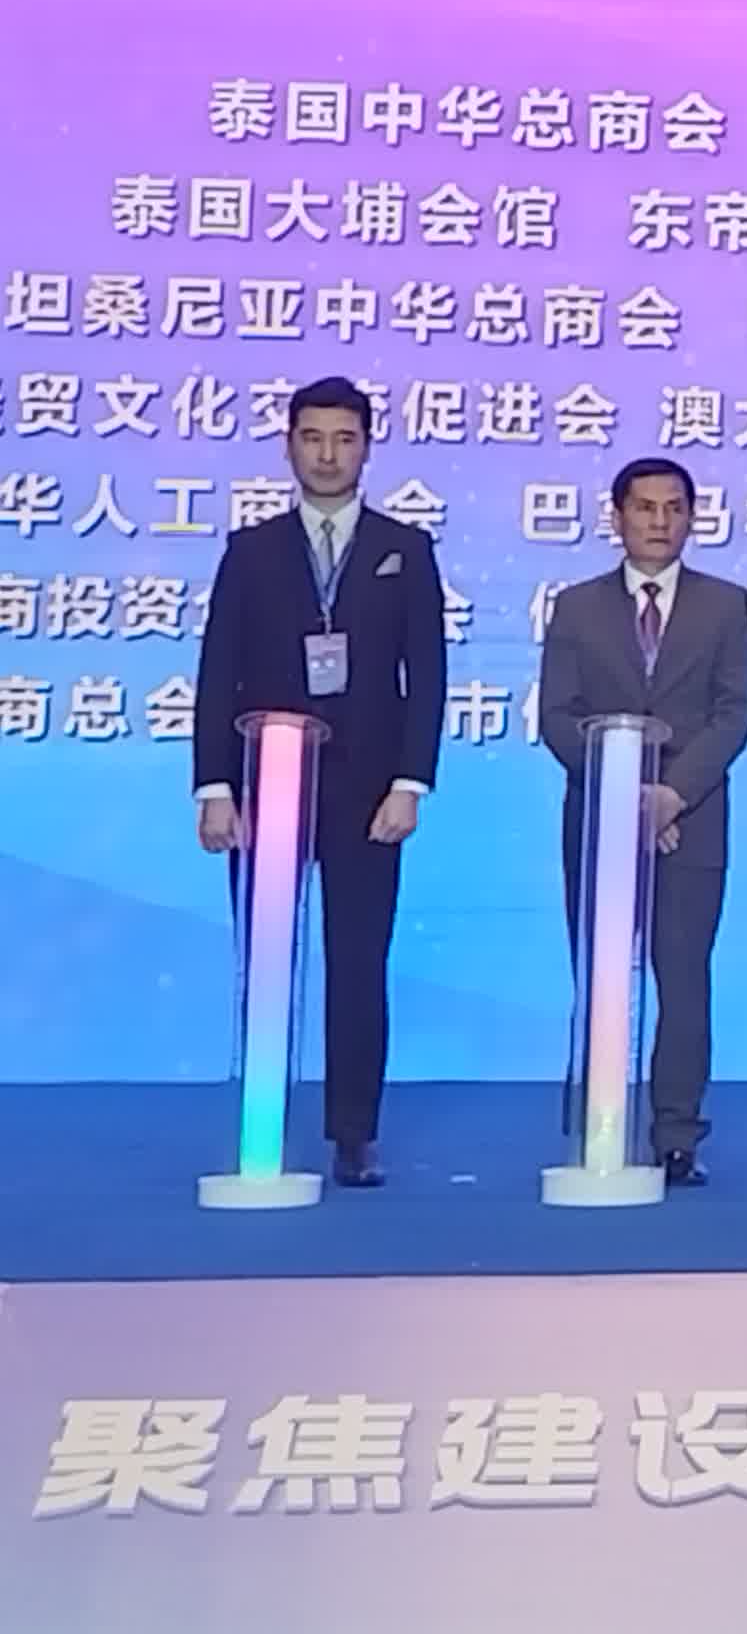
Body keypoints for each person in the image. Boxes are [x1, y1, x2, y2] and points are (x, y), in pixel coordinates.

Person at [189, 377, 445, 1188]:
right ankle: (260, 1122)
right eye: (312, 438)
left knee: (360, 960)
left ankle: (353, 1133)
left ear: (367, 446)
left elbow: (426, 676)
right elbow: (218, 671)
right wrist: (215, 787)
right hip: (267, 784)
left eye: (343, 438)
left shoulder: (405, 548)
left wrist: (411, 781)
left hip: (369, 790)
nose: (328, 454)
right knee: (266, 958)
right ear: (289, 446)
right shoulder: (252, 549)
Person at [536, 457, 747, 1186]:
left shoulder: (725, 606)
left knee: (684, 982)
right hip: (600, 821)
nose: (660, 522)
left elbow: (734, 713)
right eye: (644, 508)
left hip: (693, 823)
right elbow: (557, 716)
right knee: (601, 977)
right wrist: (627, 794)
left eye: (674, 509)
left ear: (691, 518)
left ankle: (677, 1135)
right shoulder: (577, 608)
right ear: (618, 517)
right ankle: (600, 1125)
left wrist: (671, 795)